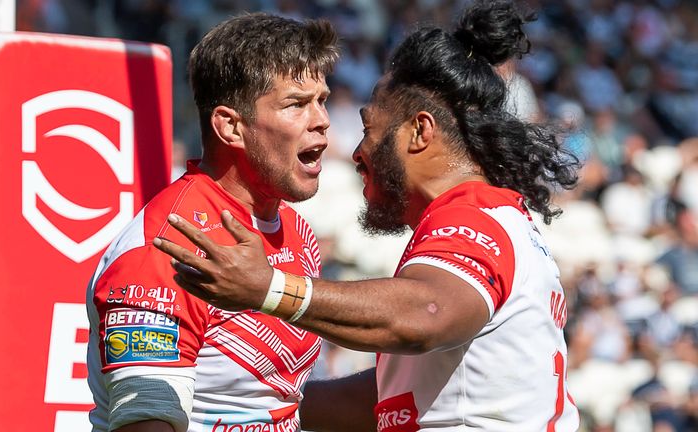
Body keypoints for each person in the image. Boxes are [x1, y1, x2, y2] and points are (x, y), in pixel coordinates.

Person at [154, 1, 583, 431]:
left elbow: (428, 313)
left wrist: (269, 289)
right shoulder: (495, 218)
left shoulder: (473, 220)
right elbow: (385, 399)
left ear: (420, 131)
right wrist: (238, 404)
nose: (358, 153)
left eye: (368, 129)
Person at [85, 13, 338, 432]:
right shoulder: (167, 246)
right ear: (230, 126)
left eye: (322, 100)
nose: (321, 120)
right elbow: (145, 421)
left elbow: (279, 400)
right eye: (296, 104)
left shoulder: (297, 230)